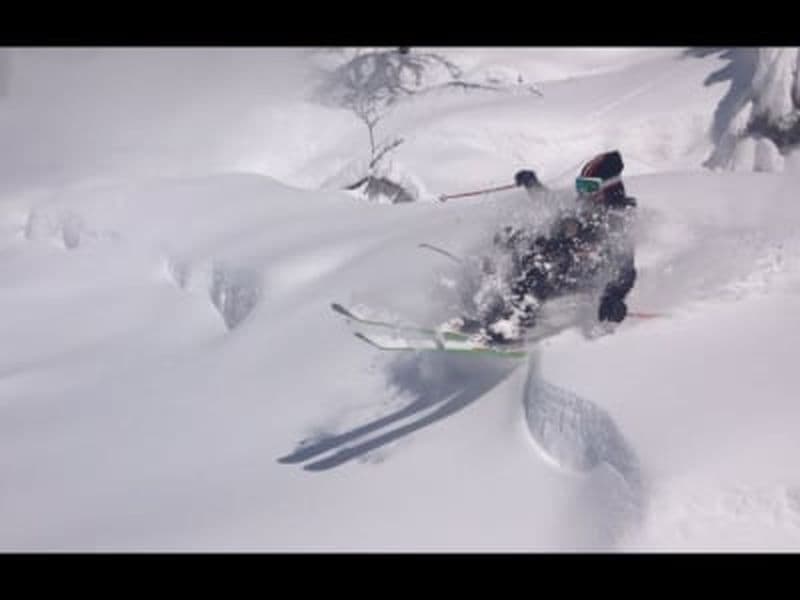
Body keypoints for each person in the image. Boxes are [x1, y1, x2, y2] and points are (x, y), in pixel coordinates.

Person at [453, 150, 637, 345]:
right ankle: (487, 312)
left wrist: (614, 297)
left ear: (607, 187)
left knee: (542, 265)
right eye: (580, 185)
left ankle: (512, 326)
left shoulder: (618, 219)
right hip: (555, 264)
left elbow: (626, 267)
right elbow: (553, 204)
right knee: (510, 240)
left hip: (577, 276)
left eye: (589, 186)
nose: (583, 191)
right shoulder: (587, 204)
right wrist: (533, 186)